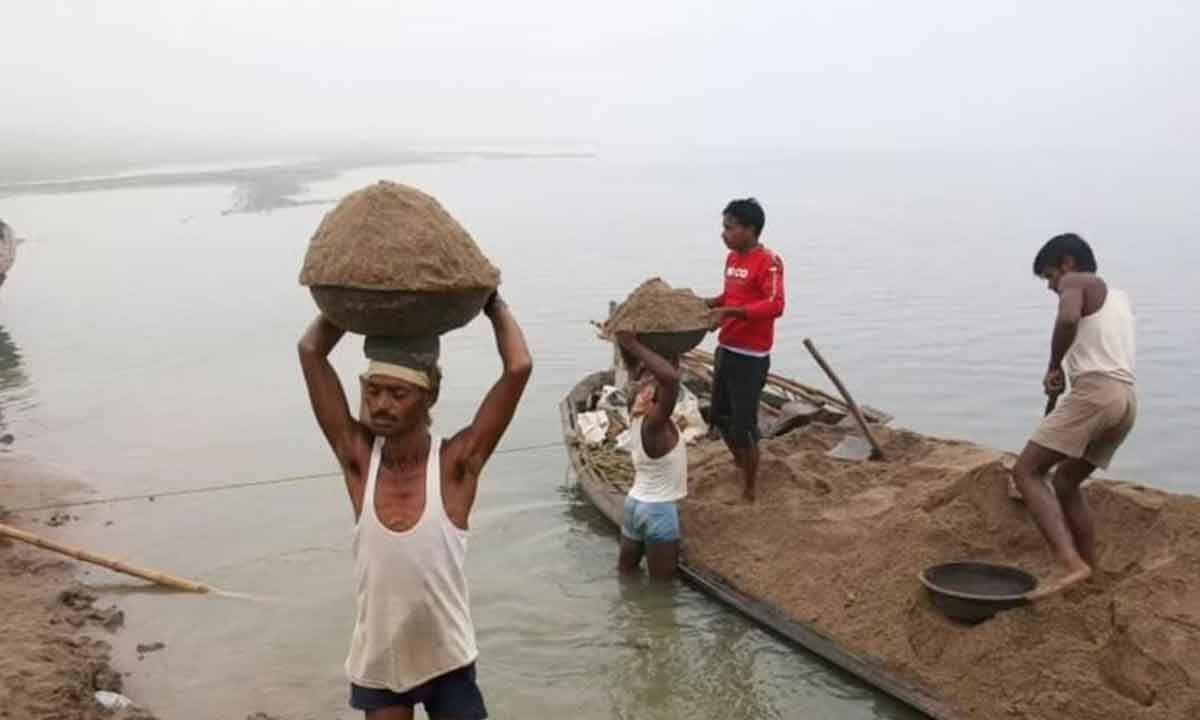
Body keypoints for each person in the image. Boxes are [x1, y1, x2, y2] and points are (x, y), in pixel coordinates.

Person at [298, 292, 532, 720]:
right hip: (381, 658)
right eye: (374, 391)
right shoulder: (358, 462)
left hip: (447, 656)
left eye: (398, 394)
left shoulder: (455, 465)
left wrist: (491, 301)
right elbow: (310, 351)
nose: (381, 404)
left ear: (428, 398)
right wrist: (354, 298)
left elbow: (518, 368)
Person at [1012, 234, 1137, 599]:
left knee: (1026, 471)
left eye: (1050, 277)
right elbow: (1098, 347)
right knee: (1065, 481)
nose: (1052, 286)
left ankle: (1069, 562)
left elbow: (1067, 317)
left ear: (1067, 263)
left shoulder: (1076, 280)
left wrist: (1054, 364)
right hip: (1126, 400)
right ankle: (1091, 568)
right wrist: (1068, 372)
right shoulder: (1119, 298)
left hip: (1097, 394)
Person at [705, 198, 785, 502]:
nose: (723, 234)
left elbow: (775, 304)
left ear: (750, 229)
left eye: (729, 228)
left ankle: (750, 490)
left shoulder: (769, 262)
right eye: (723, 227)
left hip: (750, 357)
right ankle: (740, 463)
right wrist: (709, 304)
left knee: (745, 426)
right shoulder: (733, 259)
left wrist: (731, 313)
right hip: (726, 348)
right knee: (719, 417)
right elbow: (730, 295)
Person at [614, 331, 686, 580]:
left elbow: (664, 375)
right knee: (662, 590)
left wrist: (629, 346)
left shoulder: (636, 413)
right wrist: (632, 343)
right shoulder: (655, 424)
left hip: (634, 505)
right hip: (658, 511)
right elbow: (672, 381)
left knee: (626, 573)